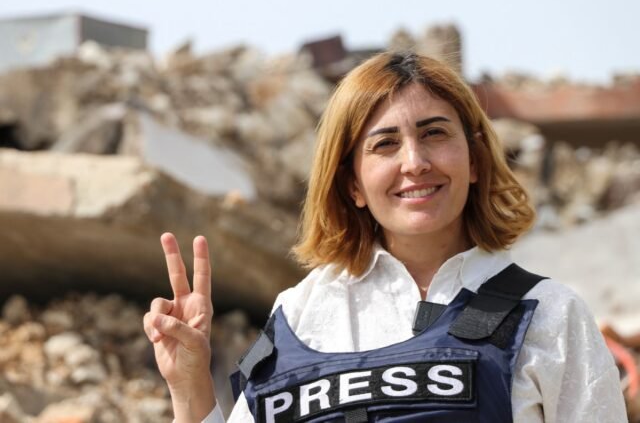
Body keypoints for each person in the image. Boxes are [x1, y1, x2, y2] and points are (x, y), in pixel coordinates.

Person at [143, 52, 627, 422]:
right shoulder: (300, 314)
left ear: (475, 160)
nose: (414, 162)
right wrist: (190, 387)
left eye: (434, 133)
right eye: (385, 144)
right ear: (352, 183)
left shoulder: (549, 315)